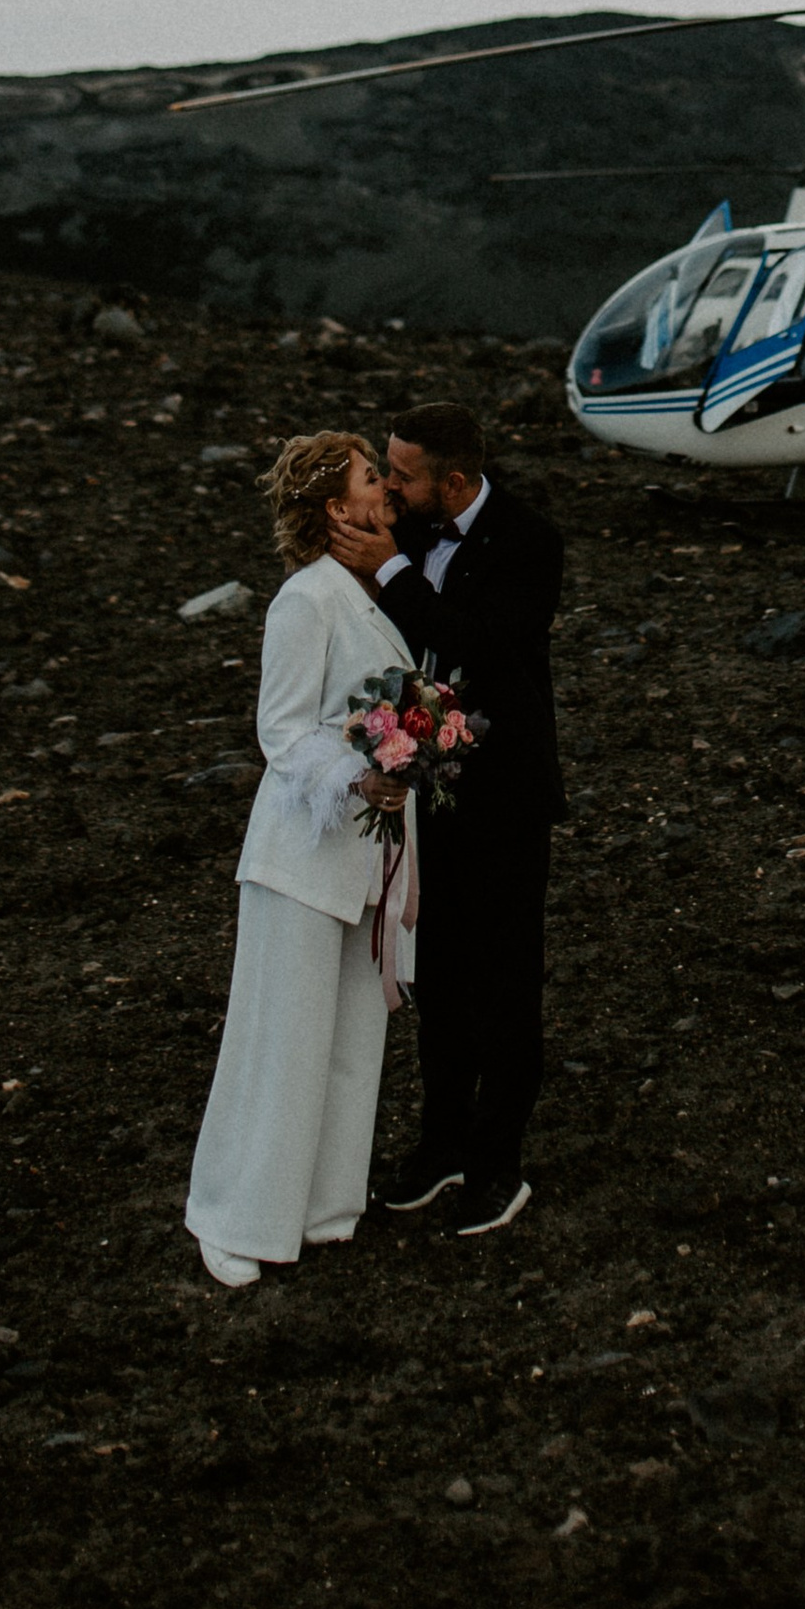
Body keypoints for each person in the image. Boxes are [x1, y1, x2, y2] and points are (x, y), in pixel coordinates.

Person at [327, 397, 563, 1236]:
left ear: (454, 481)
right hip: (428, 792)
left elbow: (482, 650)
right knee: (438, 980)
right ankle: (442, 1148)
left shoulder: (531, 543)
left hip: (504, 798)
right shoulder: (414, 531)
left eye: (402, 474)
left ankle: (499, 1167)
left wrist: (391, 574)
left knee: (505, 985)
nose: (390, 487)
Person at [183, 430, 413, 1289]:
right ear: (333, 507)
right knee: (280, 1038)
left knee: (353, 1036)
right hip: (302, 853)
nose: (384, 488)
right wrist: (363, 778)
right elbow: (280, 733)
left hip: (370, 857)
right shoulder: (306, 599)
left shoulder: (372, 592)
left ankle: (323, 1205)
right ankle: (235, 1214)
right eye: (367, 479)